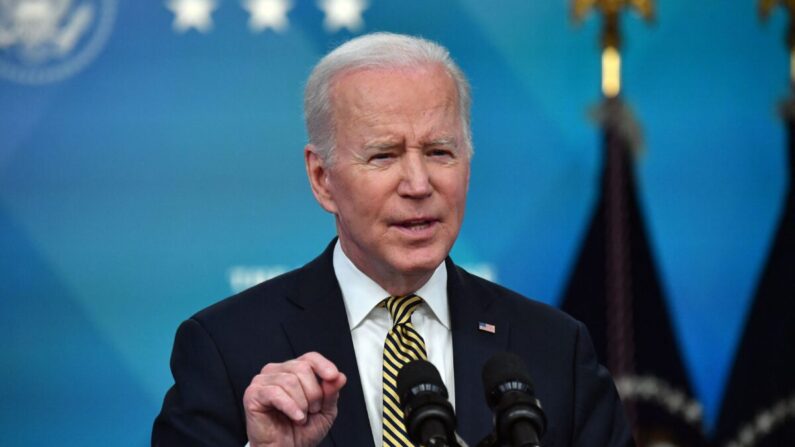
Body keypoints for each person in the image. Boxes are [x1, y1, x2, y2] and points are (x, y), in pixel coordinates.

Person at [152, 32, 633, 447]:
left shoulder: (555, 349)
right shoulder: (226, 349)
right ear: (322, 179)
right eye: (384, 156)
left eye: (440, 151)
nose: (419, 184)